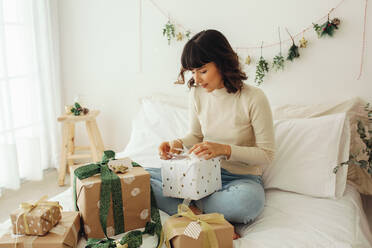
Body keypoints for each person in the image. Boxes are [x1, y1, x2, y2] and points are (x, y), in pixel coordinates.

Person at [146, 29, 275, 239]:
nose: (196, 79)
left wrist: (224, 150)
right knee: (139, 177)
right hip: (201, 172)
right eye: (192, 72)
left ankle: (189, 208)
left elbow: (266, 154)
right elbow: (195, 137)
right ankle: (205, 215)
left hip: (240, 180)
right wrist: (175, 144)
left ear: (222, 63)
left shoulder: (254, 98)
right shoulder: (197, 93)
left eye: (202, 71)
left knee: (249, 203)